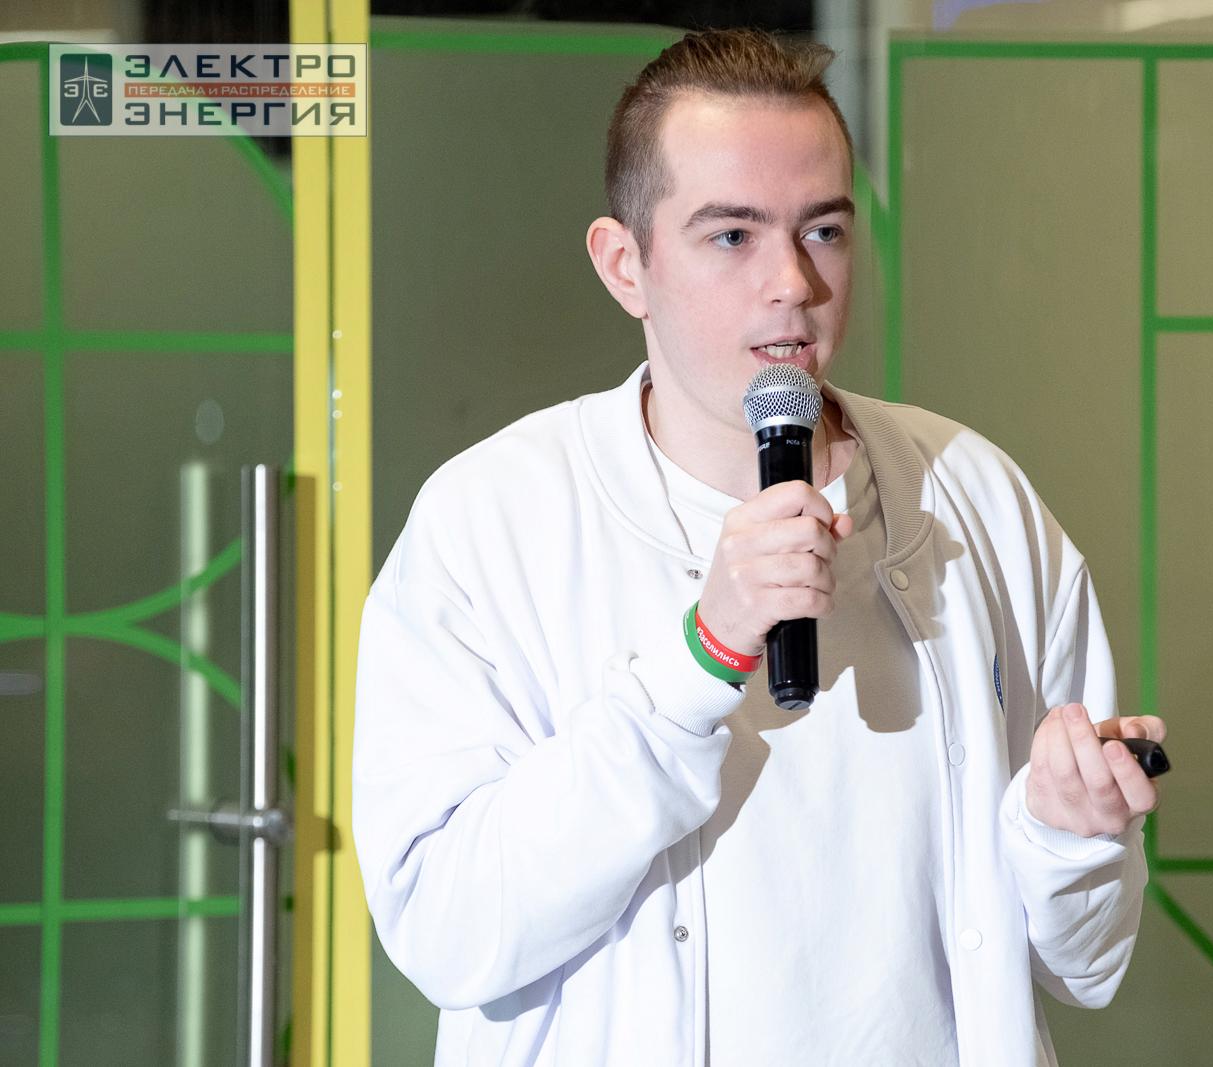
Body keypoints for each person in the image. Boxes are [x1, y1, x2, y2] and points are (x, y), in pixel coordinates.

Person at [352, 27, 1166, 1067]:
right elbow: (444, 928)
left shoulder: (977, 498)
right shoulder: (491, 522)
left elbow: (1086, 964)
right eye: (732, 235)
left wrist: (1070, 833)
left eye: (822, 230)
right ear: (625, 264)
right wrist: (699, 659)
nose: (792, 282)